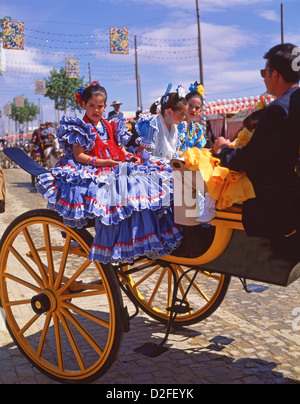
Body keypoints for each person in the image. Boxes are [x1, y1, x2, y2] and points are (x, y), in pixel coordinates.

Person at [36, 81, 182, 264]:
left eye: (100, 106)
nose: (96, 110)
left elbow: (119, 149)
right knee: (117, 192)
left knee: (146, 184)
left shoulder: (110, 125)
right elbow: (79, 155)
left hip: (114, 164)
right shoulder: (79, 127)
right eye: (91, 106)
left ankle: (141, 238)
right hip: (91, 167)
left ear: (105, 106)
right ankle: (116, 242)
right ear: (84, 104)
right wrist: (105, 162)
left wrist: (130, 156)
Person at [214, 43, 300, 237]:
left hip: (278, 208)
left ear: (275, 75)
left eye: (265, 73)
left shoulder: (279, 109)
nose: (264, 79)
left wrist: (223, 150)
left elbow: (250, 159)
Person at [136, 83, 188, 161]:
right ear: (170, 112)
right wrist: (151, 160)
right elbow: (141, 152)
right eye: (182, 114)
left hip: (170, 166)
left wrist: (190, 153)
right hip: (154, 168)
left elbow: (173, 152)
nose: (184, 117)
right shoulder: (153, 125)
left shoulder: (176, 128)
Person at [177, 81, 207, 153]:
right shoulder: (176, 125)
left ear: (200, 111)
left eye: (197, 108)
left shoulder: (197, 129)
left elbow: (199, 150)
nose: (193, 110)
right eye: (190, 105)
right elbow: (172, 151)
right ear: (184, 105)